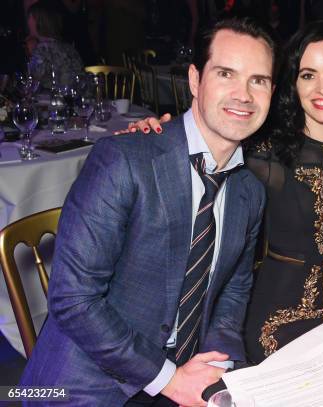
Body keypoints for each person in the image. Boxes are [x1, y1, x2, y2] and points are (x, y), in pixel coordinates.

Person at [20, 17, 274, 406]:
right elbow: (74, 299)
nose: (244, 94)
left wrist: (217, 361)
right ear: (194, 80)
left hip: (185, 375)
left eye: (258, 80)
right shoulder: (124, 159)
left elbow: (234, 289)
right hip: (87, 382)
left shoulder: (249, 193)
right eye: (226, 73)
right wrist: (168, 379)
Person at [122, 21, 323, 365]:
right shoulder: (261, 153)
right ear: (291, 82)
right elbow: (201, 143)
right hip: (278, 321)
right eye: (308, 75)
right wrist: (155, 134)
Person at [26, 1, 83, 89]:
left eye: (30, 17)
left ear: (39, 21)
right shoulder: (69, 48)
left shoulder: (42, 49)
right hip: (75, 99)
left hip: (52, 100)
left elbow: (33, 85)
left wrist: (30, 53)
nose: (28, 21)